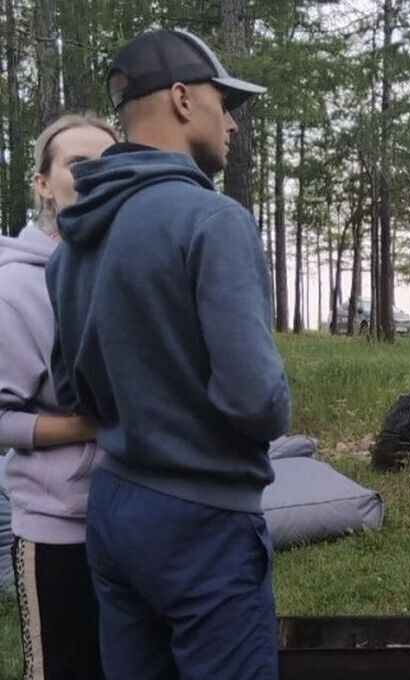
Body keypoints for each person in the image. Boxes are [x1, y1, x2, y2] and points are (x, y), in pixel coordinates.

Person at [46, 29, 290, 679]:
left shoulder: (74, 244)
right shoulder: (213, 220)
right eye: (224, 103)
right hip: (204, 521)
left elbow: (72, 394)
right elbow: (257, 399)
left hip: (114, 508)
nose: (231, 124)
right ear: (183, 99)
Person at [1, 113, 117, 679]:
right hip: (58, 529)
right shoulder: (14, 285)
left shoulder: (127, 266)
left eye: (109, 164)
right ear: (43, 183)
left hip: (135, 518)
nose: (96, 176)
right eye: (78, 164)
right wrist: (92, 427)